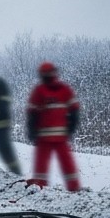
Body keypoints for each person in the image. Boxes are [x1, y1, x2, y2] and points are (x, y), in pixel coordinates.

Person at [26, 61, 81, 191]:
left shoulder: (39, 91)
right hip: (60, 135)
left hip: (44, 136)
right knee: (67, 164)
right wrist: (71, 128)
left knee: (42, 166)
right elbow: (74, 111)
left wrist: (31, 131)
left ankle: (40, 188)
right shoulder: (64, 89)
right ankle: (74, 189)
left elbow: (32, 114)